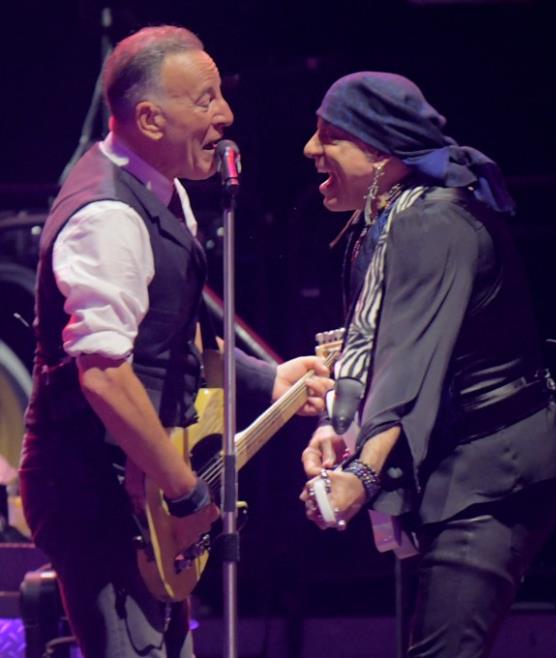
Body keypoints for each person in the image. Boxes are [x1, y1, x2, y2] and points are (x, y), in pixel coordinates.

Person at [19, 25, 332, 658]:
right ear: (150, 119)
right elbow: (104, 375)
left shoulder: (163, 191)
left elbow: (171, 339)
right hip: (97, 494)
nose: (226, 115)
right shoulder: (107, 217)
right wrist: (188, 493)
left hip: (142, 487)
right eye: (206, 99)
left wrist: (265, 380)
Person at [300, 72, 556, 658]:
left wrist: (365, 473)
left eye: (329, 136)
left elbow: (409, 364)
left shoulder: (433, 220)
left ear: (379, 151)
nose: (310, 149)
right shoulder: (388, 219)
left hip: (496, 475)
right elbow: (374, 343)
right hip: (460, 468)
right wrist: (335, 426)